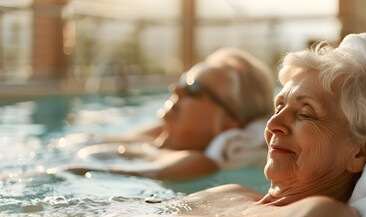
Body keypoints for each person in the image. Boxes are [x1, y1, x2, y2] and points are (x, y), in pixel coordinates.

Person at [97, 33, 366, 217]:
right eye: (278, 107)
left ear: (360, 152)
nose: (274, 124)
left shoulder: (323, 213)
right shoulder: (228, 193)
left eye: (305, 113)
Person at [67, 47, 275, 180]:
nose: (176, 89)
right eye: (185, 80)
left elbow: (79, 167)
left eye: (194, 88)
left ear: (228, 123)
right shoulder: (159, 135)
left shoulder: (196, 163)